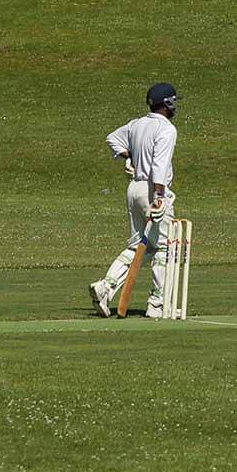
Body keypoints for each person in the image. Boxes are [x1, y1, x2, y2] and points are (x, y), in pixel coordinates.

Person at [89, 83, 183, 319]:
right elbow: (160, 165)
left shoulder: (136, 124)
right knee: (163, 247)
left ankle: (106, 286)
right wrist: (160, 196)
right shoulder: (167, 129)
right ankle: (157, 304)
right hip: (153, 190)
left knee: (140, 245)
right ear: (168, 103)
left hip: (134, 190)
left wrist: (129, 156)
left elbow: (113, 138)